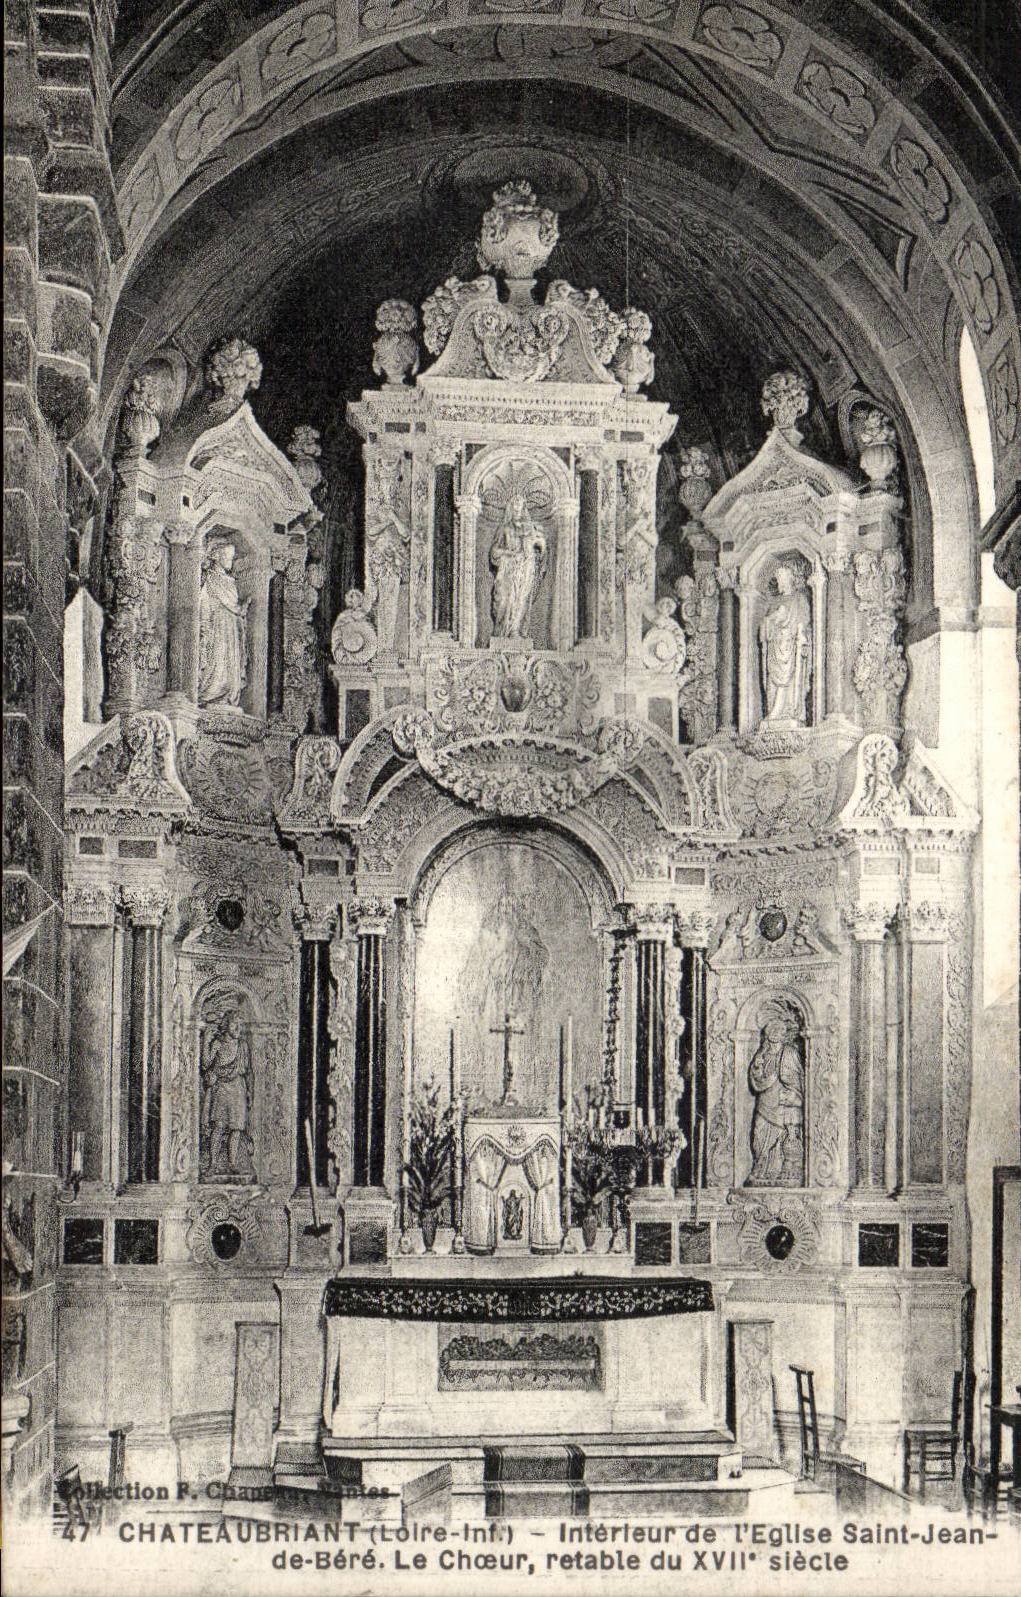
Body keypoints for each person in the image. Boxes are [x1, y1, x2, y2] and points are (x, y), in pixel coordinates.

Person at [746, 1016, 805, 1186]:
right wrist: (757, 1067)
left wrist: (795, 1096)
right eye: (772, 1030)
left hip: (782, 1104)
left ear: (783, 1034)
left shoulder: (789, 1052)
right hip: (764, 1102)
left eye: (779, 1030)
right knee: (759, 1134)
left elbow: (799, 1080)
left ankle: (778, 1171)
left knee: (782, 1137)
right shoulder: (762, 1054)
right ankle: (760, 1168)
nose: (775, 1033)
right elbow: (756, 1079)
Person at [198, 541, 249, 707]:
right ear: (217, 556)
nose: (231, 561)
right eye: (228, 557)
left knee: (230, 661)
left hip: (231, 627)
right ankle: (212, 692)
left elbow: (233, 606)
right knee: (217, 659)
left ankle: (228, 695)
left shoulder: (230, 581)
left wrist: (240, 611)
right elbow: (203, 602)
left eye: (232, 558)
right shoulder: (210, 578)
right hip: (216, 625)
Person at [202, 1011, 254, 1177]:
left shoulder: (243, 1046)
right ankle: (213, 1164)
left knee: (236, 1128)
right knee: (219, 1126)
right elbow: (205, 1064)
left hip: (238, 1087)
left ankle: (232, 1163)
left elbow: (248, 1072)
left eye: (240, 1025)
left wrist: (250, 1092)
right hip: (221, 1088)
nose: (238, 1028)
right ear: (226, 1025)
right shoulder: (218, 1043)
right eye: (234, 1024)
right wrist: (206, 1042)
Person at [758, 563, 812, 724]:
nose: (780, 581)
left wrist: (801, 636)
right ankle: (773, 711)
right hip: (775, 647)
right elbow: (766, 627)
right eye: (778, 578)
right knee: (773, 680)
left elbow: (804, 623)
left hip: (790, 647)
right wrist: (769, 621)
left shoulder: (799, 599)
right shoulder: (774, 602)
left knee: (789, 679)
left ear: (791, 578)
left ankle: (788, 712)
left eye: (782, 577)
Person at [490, 494, 547, 637]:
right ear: (510, 508)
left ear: (523, 508)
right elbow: (494, 551)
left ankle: (515, 630)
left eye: (519, 505)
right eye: (514, 505)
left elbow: (541, 547)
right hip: (508, 568)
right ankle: (502, 631)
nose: (516, 508)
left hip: (525, 567)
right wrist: (509, 553)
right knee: (504, 599)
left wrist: (539, 545)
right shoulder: (504, 528)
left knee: (521, 599)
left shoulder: (530, 528)